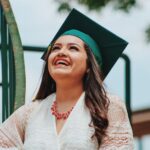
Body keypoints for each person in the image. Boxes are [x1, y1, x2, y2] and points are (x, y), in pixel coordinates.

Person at [0, 9, 133, 149]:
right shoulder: (29, 113)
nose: (61, 52)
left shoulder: (107, 107)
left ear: (89, 65)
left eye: (73, 48)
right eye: (56, 48)